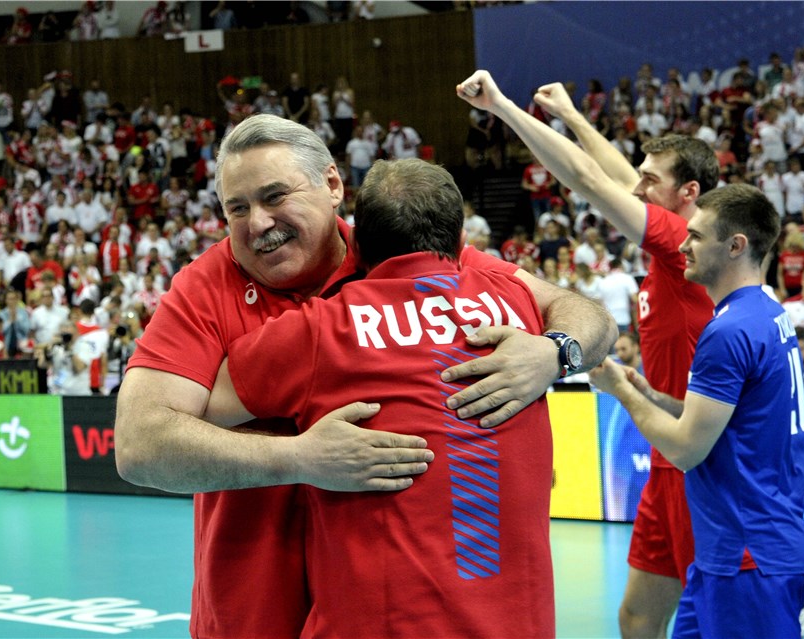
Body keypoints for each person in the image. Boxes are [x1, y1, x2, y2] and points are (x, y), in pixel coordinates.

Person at [114, 114, 616, 638]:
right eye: (236, 208)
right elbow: (140, 446)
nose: (257, 222)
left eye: (275, 196)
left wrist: (555, 352)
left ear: (333, 185)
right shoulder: (203, 288)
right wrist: (300, 458)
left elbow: (583, 313)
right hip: (250, 615)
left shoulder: (396, 248)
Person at [207, 158, 558, 637]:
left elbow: (203, 405)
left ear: (359, 248)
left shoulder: (321, 329)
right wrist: (558, 351)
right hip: (522, 623)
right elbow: (583, 312)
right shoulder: (518, 303)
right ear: (460, 243)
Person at [456, 70, 717, 639]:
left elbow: (588, 178)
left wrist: (501, 104)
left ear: (687, 194)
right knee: (637, 618)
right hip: (665, 459)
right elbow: (616, 176)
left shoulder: (684, 246)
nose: (638, 189)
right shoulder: (669, 242)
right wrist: (572, 117)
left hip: (701, 461)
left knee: (713, 619)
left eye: (651, 182)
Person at [589, 184, 804, 638]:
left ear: (735, 246)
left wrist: (620, 392)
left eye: (696, 236)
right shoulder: (766, 310)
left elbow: (686, 450)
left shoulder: (728, 330)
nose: (683, 245)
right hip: (730, 551)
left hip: (747, 555)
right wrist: (651, 394)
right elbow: (728, 419)